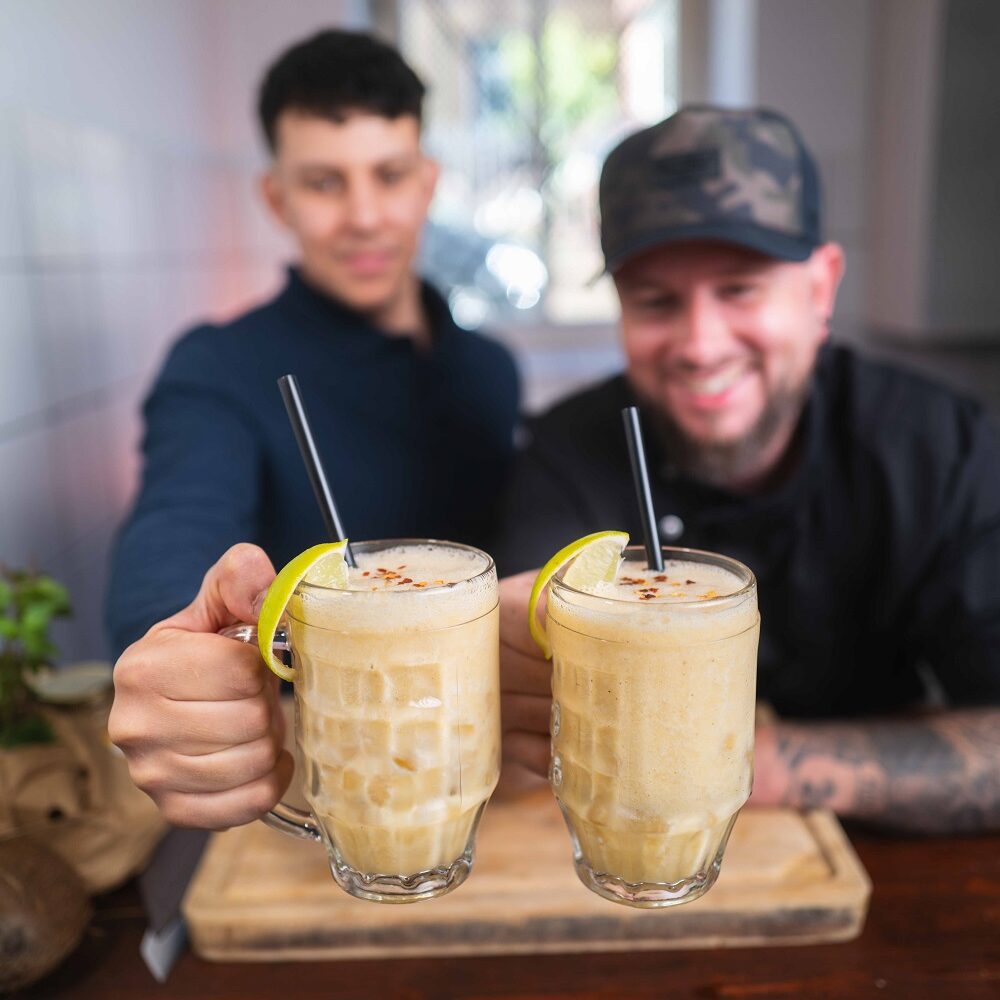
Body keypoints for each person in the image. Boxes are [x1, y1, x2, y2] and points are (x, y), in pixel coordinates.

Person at [495, 106, 1000, 835]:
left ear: (821, 289)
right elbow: (536, 717)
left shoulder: (937, 448)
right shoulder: (569, 452)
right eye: (656, 301)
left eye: (740, 289)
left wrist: (745, 763)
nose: (700, 344)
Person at [106, 30, 518, 827]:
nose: (364, 216)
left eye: (390, 176)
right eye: (325, 183)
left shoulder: (489, 369)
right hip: (333, 795)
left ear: (427, 183)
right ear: (277, 199)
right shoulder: (218, 367)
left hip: (491, 791)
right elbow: (172, 534)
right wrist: (167, 656)